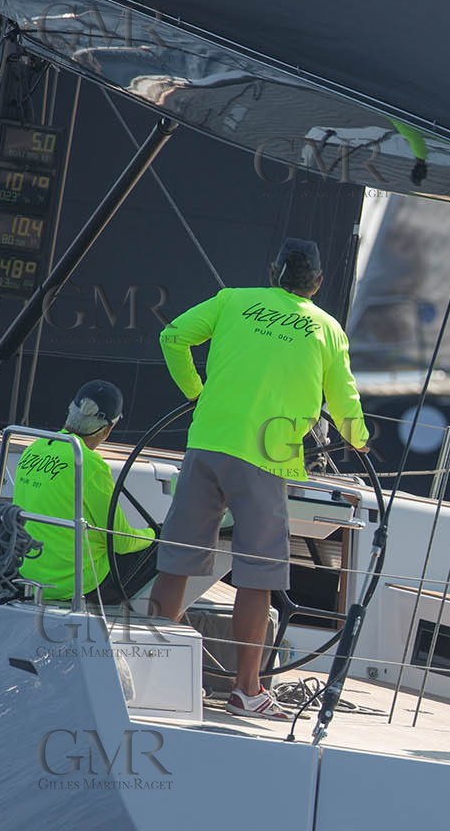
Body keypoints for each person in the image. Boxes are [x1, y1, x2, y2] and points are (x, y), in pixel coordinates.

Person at [151, 237, 369, 720]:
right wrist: (358, 439)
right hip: (268, 461)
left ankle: (152, 672)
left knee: (177, 563)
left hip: (207, 445)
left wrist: (198, 395)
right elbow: (344, 402)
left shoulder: (232, 301)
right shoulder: (327, 330)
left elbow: (172, 338)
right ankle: (246, 691)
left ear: (273, 272)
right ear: (317, 283)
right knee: (257, 577)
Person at [12, 380, 155, 602]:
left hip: (28, 575)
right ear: (108, 429)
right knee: (165, 547)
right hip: (75, 585)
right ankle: (162, 625)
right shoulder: (89, 464)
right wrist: (154, 535)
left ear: (71, 410)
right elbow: (122, 542)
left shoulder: (34, 449)